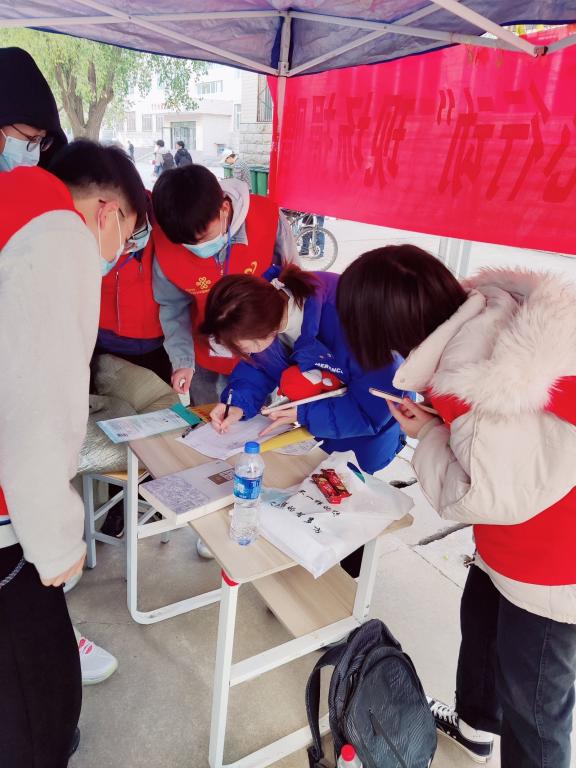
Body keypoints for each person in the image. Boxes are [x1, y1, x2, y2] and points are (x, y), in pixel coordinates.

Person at [336, 245, 576, 768]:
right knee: (483, 631)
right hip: (518, 545)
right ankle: (474, 730)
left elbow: (482, 495)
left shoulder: (468, 377)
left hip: (550, 567)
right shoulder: (488, 315)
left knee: (536, 709)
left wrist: (427, 435)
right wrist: (438, 422)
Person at [0, 135, 147, 768]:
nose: (118, 255)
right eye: (127, 237)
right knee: (32, 685)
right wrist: (59, 542)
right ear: (107, 212)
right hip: (7, 512)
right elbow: (34, 404)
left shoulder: (15, 203)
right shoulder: (60, 236)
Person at [200, 266, 406, 474]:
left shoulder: (352, 318)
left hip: (363, 432)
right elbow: (260, 366)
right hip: (315, 430)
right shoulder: (265, 311)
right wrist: (238, 404)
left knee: (347, 482)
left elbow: (374, 407)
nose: (242, 354)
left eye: (242, 348)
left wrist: (304, 414)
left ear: (261, 334)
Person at [151, 164, 299, 406]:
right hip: (205, 359)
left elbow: (294, 284)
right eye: (186, 245)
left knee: (253, 417)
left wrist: (295, 354)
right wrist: (183, 361)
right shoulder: (166, 239)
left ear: (224, 208)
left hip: (260, 354)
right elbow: (172, 307)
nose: (197, 249)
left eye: (203, 238)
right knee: (209, 418)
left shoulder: (267, 218)